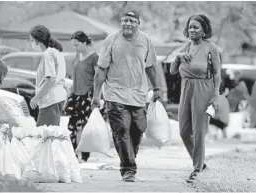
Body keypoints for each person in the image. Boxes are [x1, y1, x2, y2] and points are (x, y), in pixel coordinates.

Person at [91, 10, 161, 182]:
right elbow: (101, 70)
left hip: (138, 94)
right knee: (121, 130)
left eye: (131, 21)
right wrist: (96, 95)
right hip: (114, 94)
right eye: (124, 20)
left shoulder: (145, 41)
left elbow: (151, 67)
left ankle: (128, 158)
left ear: (138, 23)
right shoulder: (111, 40)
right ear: (120, 22)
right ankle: (128, 169)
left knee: (138, 130)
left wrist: (157, 87)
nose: (127, 24)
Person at [170, 14, 221, 183]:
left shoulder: (210, 47)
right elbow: (172, 71)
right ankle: (200, 163)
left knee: (199, 132)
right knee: (184, 131)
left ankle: (197, 169)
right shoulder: (186, 46)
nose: (192, 30)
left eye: (196, 27)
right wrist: (178, 57)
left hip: (204, 89)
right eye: (190, 27)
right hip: (186, 88)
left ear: (204, 30)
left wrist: (215, 96)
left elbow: (217, 74)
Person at [64, 31, 99, 162]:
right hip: (75, 95)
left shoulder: (94, 57)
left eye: (77, 45)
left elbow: (98, 78)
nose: (75, 48)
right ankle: (73, 154)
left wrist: (97, 96)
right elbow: (75, 76)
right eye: (73, 46)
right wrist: (69, 93)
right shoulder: (77, 56)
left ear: (85, 43)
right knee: (72, 126)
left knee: (85, 127)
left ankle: (85, 156)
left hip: (87, 96)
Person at [29, 25, 67, 127]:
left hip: (50, 100)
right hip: (56, 98)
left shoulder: (48, 54)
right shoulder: (56, 52)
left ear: (37, 40)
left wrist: (35, 98)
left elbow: (51, 79)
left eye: (32, 40)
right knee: (51, 137)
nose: (32, 43)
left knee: (44, 136)